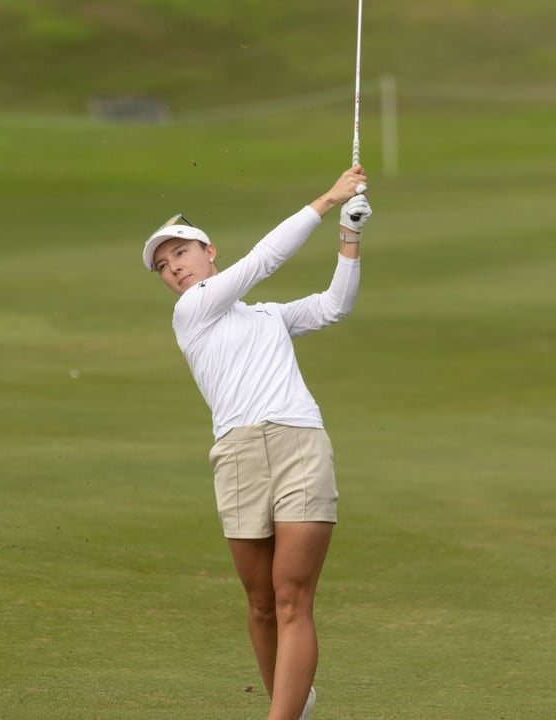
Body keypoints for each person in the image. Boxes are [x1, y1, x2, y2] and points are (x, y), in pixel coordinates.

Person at [143, 165, 372, 720]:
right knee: (262, 603)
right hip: (238, 455)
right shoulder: (191, 312)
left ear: (208, 251)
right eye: (163, 264)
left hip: (299, 443)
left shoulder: (267, 317)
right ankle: (294, 704)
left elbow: (333, 307)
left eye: (180, 253)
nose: (173, 267)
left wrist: (350, 235)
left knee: (293, 597)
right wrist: (327, 198)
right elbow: (264, 259)